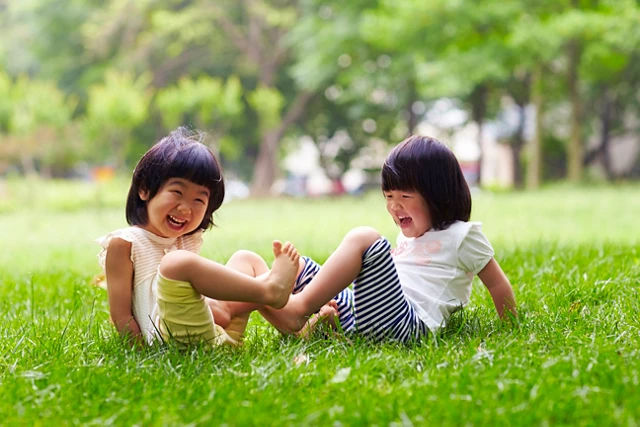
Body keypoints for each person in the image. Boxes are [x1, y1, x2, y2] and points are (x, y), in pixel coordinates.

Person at [260, 135, 517, 342]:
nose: (394, 207)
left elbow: (497, 284)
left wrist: (510, 328)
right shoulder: (408, 239)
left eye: (405, 197)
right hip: (374, 315)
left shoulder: (463, 235)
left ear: (439, 196)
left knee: (365, 238)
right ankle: (249, 312)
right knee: (299, 267)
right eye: (388, 197)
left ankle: (300, 310)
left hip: (410, 325)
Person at [97, 127, 300, 347]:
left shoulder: (187, 239)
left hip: (214, 332)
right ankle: (268, 290)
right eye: (177, 192)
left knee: (246, 259)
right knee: (176, 263)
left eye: (199, 200)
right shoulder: (125, 243)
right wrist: (143, 354)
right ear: (145, 189)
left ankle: (295, 320)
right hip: (169, 341)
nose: (186, 208)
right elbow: (121, 315)